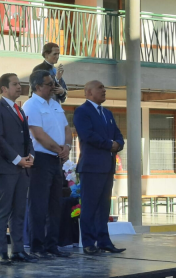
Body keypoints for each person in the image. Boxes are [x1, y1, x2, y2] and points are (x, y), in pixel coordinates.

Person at [22, 70, 72, 259]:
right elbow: (38, 134)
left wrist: (67, 146)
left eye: (52, 83)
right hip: (41, 159)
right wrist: (59, 149)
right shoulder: (31, 105)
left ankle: (52, 245)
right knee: (39, 205)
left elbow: (67, 129)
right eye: (49, 84)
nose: (53, 87)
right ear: (38, 87)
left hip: (56, 159)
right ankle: (37, 247)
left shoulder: (56, 105)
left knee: (55, 204)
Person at [0, 73, 37, 265]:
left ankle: (18, 250)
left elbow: (27, 139)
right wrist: (17, 159)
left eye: (19, 83)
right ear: (4, 89)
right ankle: (1, 252)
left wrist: (31, 155)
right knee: (3, 211)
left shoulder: (20, 110)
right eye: (15, 84)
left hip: (23, 169)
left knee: (19, 211)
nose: (19, 87)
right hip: (6, 168)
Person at [73, 80, 126, 255]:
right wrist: (109, 144)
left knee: (104, 206)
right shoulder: (82, 111)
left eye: (104, 87)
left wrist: (118, 143)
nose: (104, 90)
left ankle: (103, 241)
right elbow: (88, 135)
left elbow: (118, 134)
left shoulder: (108, 113)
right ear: (88, 92)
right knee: (89, 205)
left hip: (107, 166)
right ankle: (88, 242)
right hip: (91, 167)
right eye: (100, 88)